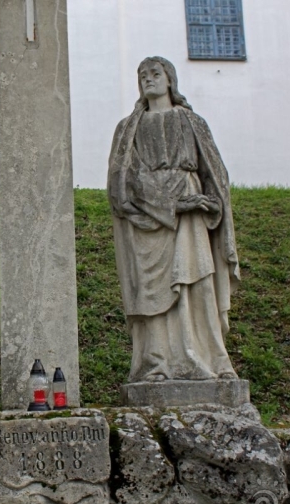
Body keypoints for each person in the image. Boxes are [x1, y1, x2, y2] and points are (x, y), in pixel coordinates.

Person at [107, 56, 240, 383]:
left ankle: (207, 357)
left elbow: (215, 173)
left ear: (170, 80)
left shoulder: (192, 122)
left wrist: (209, 203)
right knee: (153, 291)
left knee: (195, 282)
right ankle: (159, 363)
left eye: (155, 73)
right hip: (150, 220)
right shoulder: (128, 129)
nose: (148, 79)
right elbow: (122, 181)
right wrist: (173, 203)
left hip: (191, 215)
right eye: (142, 75)